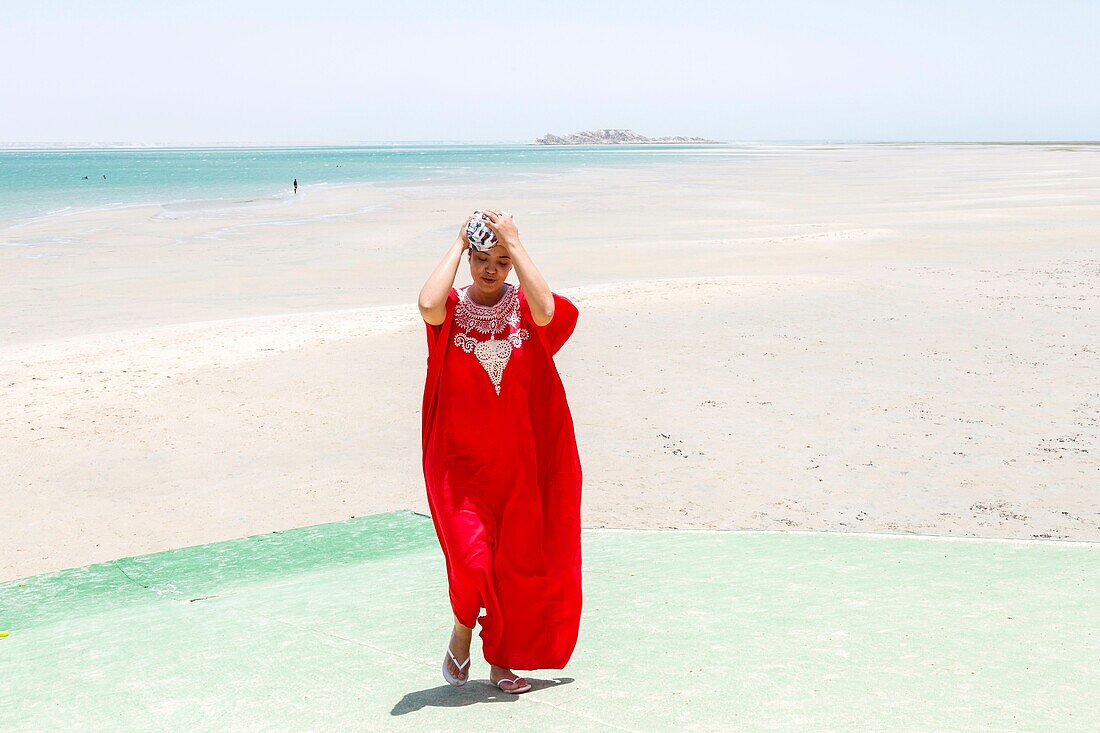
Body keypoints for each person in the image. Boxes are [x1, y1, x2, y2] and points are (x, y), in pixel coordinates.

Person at [418, 210, 582, 694]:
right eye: (482, 259)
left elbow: (551, 313)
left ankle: (503, 660)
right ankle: (463, 628)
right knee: (471, 562)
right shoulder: (450, 312)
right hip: (460, 467)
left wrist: (515, 240)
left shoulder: (527, 310)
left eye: (503, 261)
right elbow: (427, 302)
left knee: (515, 568)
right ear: (468, 258)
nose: (492, 269)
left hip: (521, 465)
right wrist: (456, 238)